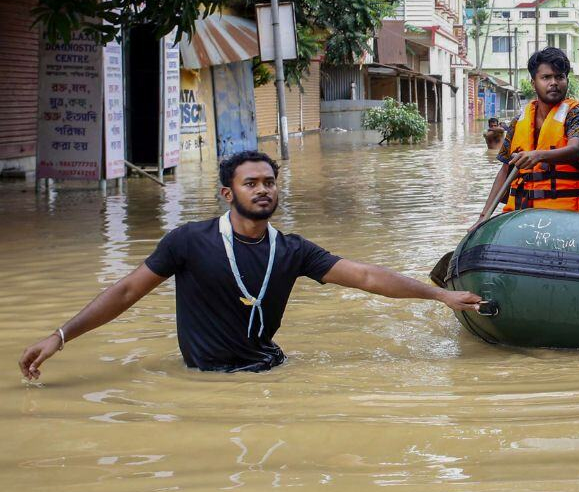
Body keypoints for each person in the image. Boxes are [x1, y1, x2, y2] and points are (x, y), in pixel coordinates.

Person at [17, 151, 482, 379]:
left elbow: (363, 276)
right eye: (251, 183)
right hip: (204, 380)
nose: (263, 190)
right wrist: (60, 337)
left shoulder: (293, 249)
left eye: (270, 182)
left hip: (270, 370)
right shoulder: (188, 242)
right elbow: (124, 293)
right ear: (227, 194)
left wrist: (440, 294)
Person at [477, 47, 579, 222]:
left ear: (566, 80)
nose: (554, 82)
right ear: (533, 82)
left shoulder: (578, 113)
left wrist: (538, 156)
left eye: (559, 77)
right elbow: (505, 171)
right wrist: (483, 218)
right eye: (546, 77)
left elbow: (575, 150)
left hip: (567, 216)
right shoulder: (518, 121)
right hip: (522, 217)